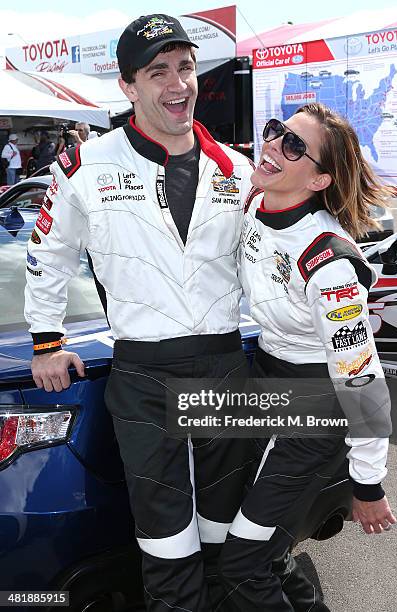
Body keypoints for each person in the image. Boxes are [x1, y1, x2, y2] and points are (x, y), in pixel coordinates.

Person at [24, 13, 255, 612]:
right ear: (129, 86)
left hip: (225, 368)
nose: (178, 84)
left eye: (185, 67)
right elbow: (48, 252)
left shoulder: (236, 168)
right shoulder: (86, 165)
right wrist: (48, 340)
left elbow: (274, 255)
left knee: (228, 540)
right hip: (144, 377)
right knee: (166, 543)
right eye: (158, 73)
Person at [218, 103, 397, 611]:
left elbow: (361, 381)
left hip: (316, 409)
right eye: (277, 132)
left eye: (295, 145)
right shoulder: (255, 204)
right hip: (265, 386)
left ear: (320, 182)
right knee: (267, 553)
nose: (274, 144)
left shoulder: (329, 265)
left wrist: (368, 483)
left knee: (242, 563)